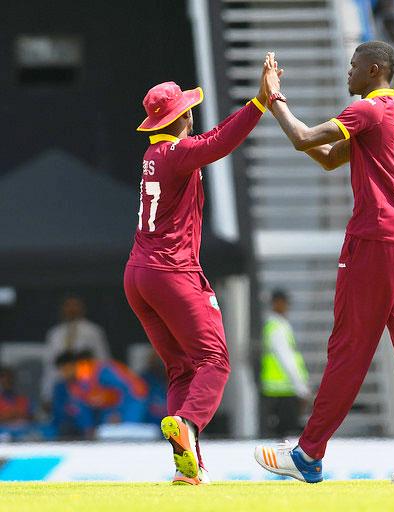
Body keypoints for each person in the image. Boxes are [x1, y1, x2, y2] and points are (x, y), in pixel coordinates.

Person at [254, 44, 394, 484]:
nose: (348, 72)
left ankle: (308, 455)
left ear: (374, 70)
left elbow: (304, 138)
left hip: (374, 238)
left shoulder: (368, 111)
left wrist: (273, 99)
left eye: (354, 66)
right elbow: (326, 157)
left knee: (348, 350)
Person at [123, 61, 269, 485]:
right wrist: (260, 102)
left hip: (138, 274)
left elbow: (207, 141)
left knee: (182, 370)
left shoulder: (154, 154)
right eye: (189, 109)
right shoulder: (178, 154)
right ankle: (187, 424)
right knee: (216, 360)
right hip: (172, 272)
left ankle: (188, 466)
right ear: (182, 117)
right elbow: (219, 142)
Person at [50, 351, 148, 440]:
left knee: (128, 432)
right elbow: (82, 410)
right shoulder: (73, 386)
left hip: (133, 398)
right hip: (109, 405)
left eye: (66, 369)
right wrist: (88, 429)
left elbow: (124, 388)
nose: (65, 374)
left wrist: (117, 413)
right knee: (105, 433)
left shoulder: (99, 370)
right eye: (62, 371)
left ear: (74, 365)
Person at [261, 290, 311, 438]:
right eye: (284, 302)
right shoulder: (278, 327)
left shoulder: (275, 325)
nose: (286, 306)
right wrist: (301, 388)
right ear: (276, 303)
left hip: (279, 389)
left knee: (280, 434)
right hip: (284, 390)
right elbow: (286, 359)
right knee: (287, 435)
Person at [41, 296, 110, 404]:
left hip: (86, 383)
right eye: (68, 306)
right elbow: (49, 366)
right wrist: (46, 394)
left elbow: (103, 360)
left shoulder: (93, 331)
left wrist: (102, 389)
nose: (71, 309)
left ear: (82, 308)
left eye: (75, 305)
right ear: (63, 309)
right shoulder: (54, 334)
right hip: (61, 382)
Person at [0, 366, 32, 440]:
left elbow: (31, 417)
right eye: (3, 377)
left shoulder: (23, 400)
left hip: (23, 435)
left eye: (9, 377)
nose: (7, 380)